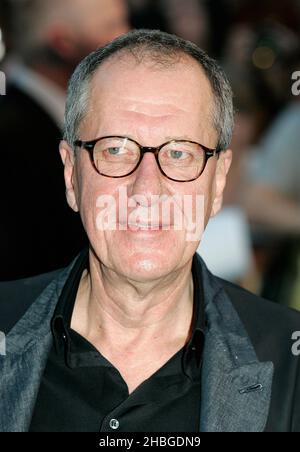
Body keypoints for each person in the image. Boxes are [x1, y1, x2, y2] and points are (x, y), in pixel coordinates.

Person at [0, 30, 299, 433]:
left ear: (218, 181)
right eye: (116, 149)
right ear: (72, 174)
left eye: (178, 153)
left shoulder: (290, 365)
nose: (146, 189)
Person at [0, 0, 129, 280]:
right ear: (62, 43)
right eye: (111, 26)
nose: (127, 37)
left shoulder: (68, 117)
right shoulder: (13, 140)